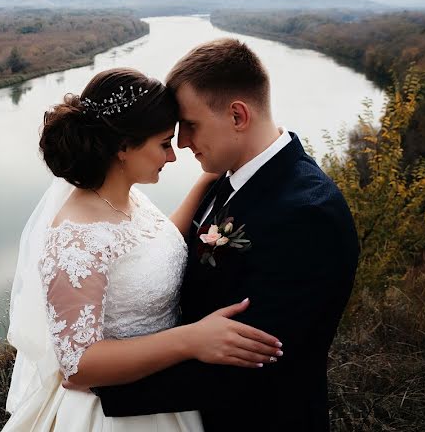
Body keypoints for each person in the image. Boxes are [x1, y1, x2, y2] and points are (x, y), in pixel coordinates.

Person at [92, 39, 360, 431]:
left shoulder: (307, 214)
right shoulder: (231, 175)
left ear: (237, 116)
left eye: (191, 125)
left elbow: (253, 361)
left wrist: (104, 389)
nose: (181, 143)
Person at [3, 67, 284, 432]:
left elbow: (154, 242)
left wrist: (213, 175)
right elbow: (79, 365)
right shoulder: (75, 239)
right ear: (122, 147)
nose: (172, 156)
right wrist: (190, 340)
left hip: (164, 393)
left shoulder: (126, 197)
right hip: (113, 414)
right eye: (164, 143)